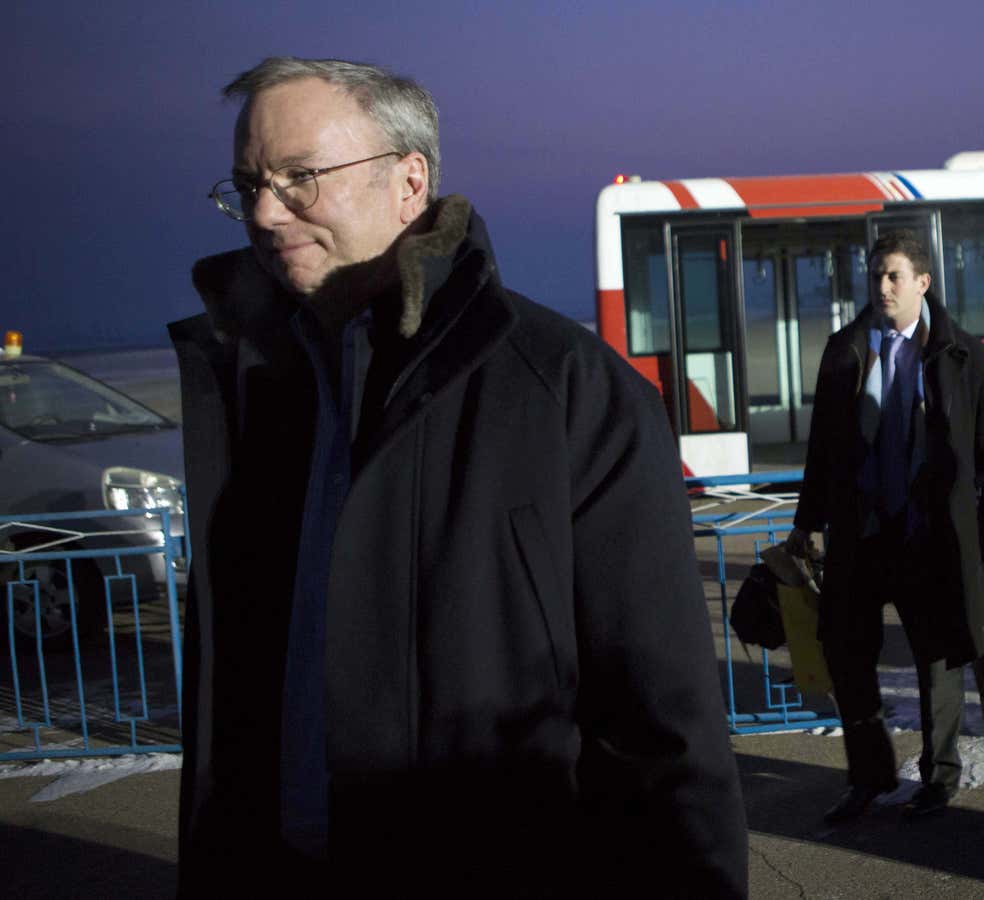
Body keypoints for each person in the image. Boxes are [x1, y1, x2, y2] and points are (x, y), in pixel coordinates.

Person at [171, 57, 746, 895]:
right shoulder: (255, 389)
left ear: (409, 181)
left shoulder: (565, 392)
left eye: (301, 178)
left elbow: (664, 735)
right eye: (247, 183)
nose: (264, 212)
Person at [784, 230, 984, 824]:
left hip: (931, 538)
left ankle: (940, 777)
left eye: (893, 276)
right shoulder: (846, 349)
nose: (881, 286)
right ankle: (869, 775)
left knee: (938, 661)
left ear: (922, 283)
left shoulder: (965, 356)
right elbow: (823, 450)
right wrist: (809, 522)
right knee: (849, 658)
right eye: (875, 274)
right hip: (862, 533)